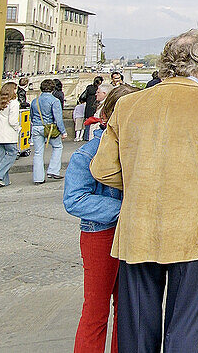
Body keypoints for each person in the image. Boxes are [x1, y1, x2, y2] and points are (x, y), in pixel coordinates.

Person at [90, 29, 198, 353]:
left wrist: (142, 183)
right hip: (194, 233)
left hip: (138, 230)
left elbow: (102, 170)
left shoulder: (127, 105)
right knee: (183, 327)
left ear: (165, 64)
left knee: (138, 327)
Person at [64, 84, 133, 353]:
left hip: (130, 232)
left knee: (126, 309)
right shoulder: (88, 153)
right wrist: (125, 209)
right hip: (100, 234)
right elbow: (74, 199)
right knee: (96, 308)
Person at [31, 78, 66, 184]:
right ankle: (53, 170)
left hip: (36, 127)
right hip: (49, 128)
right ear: (52, 89)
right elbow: (58, 118)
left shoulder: (34, 101)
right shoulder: (54, 101)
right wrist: (63, 131)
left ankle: (38, 178)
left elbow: (31, 116)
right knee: (57, 147)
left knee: (38, 153)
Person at [0, 82, 22, 188]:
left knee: (0, 156)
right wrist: (18, 128)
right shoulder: (13, 103)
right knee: (13, 153)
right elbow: (12, 121)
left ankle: (2, 181)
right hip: (7, 133)